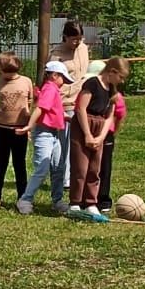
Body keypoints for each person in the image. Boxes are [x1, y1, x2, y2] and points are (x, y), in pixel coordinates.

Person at [68, 57, 130, 221]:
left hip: (99, 125)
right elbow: (81, 108)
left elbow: (110, 116)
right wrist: (87, 134)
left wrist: (101, 137)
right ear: (112, 72)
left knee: (95, 168)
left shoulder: (112, 90)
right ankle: (75, 202)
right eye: (121, 77)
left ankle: (91, 202)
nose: (121, 81)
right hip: (84, 124)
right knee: (81, 166)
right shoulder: (92, 84)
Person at [15, 61, 74, 215]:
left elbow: (54, 111)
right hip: (44, 133)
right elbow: (40, 109)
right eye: (63, 79)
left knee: (58, 168)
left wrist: (66, 118)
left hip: (54, 134)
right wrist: (30, 125)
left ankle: (57, 200)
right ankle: (25, 199)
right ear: (54, 76)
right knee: (42, 167)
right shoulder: (50, 89)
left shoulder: (53, 89)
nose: (64, 83)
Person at [49, 20, 89, 193]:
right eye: (73, 39)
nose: (77, 42)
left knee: (76, 142)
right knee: (63, 142)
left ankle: (74, 175)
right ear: (65, 37)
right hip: (64, 103)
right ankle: (63, 178)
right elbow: (51, 81)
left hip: (80, 102)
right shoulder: (56, 54)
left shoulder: (83, 49)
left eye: (80, 38)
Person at [0, 52, 33, 208]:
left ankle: (22, 195)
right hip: (2, 128)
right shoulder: (0, 81)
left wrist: (28, 125)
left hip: (19, 129)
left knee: (19, 163)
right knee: (1, 162)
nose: (1, 73)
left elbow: (29, 101)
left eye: (1, 69)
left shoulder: (26, 81)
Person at [96, 63, 127, 214]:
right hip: (92, 132)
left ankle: (103, 199)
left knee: (104, 167)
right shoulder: (93, 89)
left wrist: (113, 132)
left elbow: (120, 115)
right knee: (90, 167)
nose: (122, 81)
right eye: (121, 77)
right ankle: (87, 199)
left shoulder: (116, 97)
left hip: (106, 134)